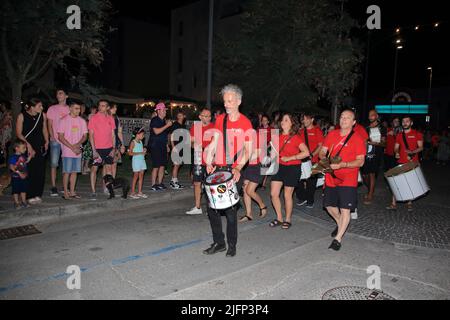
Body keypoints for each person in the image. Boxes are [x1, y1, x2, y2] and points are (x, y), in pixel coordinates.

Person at [203, 84, 253, 257]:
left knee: (230, 210)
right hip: (218, 169)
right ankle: (219, 242)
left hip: (234, 170)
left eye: (230, 101)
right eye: (225, 101)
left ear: (238, 101)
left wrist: (239, 167)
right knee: (212, 209)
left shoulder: (245, 122)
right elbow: (214, 143)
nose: (227, 104)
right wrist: (209, 160)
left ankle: (232, 244)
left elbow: (249, 149)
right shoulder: (220, 120)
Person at [319, 109, 366, 251]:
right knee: (328, 205)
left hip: (348, 178)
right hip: (331, 176)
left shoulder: (357, 139)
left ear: (353, 122)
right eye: (342, 117)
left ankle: (338, 238)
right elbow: (323, 150)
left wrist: (343, 164)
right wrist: (323, 158)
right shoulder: (332, 134)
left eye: (347, 118)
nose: (343, 120)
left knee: (345, 209)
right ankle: (341, 224)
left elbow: (360, 162)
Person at [269, 113, 310, 229]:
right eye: (282, 120)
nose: (283, 122)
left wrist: (291, 158)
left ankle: (287, 219)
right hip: (279, 167)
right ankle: (279, 218)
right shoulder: (276, 136)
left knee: (287, 195)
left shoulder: (296, 137)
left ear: (292, 123)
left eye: (286, 120)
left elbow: (306, 152)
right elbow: (274, 153)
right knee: (273, 194)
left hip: (292, 168)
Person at [15, 98, 49, 204]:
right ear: (32, 107)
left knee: (39, 171)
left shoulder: (42, 115)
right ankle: (28, 195)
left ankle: (37, 194)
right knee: (28, 170)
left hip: (39, 145)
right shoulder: (22, 116)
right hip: (25, 146)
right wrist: (28, 145)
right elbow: (19, 133)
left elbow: (44, 129)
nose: (42, 108)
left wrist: (47, 141)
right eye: (39, 106)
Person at [387, 116, 424, 212]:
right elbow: (396, 147)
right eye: (403, 121)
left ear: (411, 123)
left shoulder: (417, 134)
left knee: (411, 183)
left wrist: (412, 152)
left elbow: (421, 147)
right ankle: (393, 203)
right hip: (401, 161)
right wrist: (397, 152)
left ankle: (409, 202)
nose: (405, 123)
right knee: (397, 182)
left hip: (413, 162)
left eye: (407, 121)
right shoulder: (399, 135)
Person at [238, 115, 268, 223]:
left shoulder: (259, 136)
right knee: (245, 190)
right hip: (247, 166)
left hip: (257, 166)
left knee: (249, 190)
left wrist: (244, 157)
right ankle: (248, 214)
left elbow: (257, 154)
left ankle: (263, 206)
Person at [57, 101, 88, 200]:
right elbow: (60, 137)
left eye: (79, 108)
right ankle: (65, 192)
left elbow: (85, 136)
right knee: (67, 172)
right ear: (70, 108)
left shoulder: (82, 121)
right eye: (76, 108)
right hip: (67, 151)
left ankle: (72, 191)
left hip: (77, 151)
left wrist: (78, 145)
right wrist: (72, 147)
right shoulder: (63, 120)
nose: (78, 110)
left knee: (75, 172)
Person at [186, 107, 214, 215]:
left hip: (210, 160)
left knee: (209, 184)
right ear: (200, 117)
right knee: (197, 183)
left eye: (209, 116)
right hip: (198, 158)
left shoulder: (214, 127)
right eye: (205, 116)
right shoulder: (195, 127)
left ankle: (211, 207)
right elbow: (191, 143)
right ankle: (197, 207)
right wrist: (194, 144)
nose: (207, 118)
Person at [88, 100, 116, 200]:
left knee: (108, 169)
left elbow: (113, 135)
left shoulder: (110, 118)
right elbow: (90, 135)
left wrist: (113, 148)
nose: (101, 107)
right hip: (98, 149)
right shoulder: (93, 118)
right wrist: (94, 150)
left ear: (107, 107)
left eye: (103, 106)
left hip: (108, 148)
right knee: (94, 169)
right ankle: (93, 191)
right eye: (100, 105)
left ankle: (107, 188)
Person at [296, 113, 324, 208]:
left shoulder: (317, 130)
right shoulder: (300, 131)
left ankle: (310, 200)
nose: (304, 121)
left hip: (314, 160)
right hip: (302, 160)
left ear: (312, 119)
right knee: (299, 179)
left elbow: (320, 145)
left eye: (307, 119)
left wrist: (312, 155)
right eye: (303, 119)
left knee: (311, 182)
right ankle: (302, 197)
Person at [46, 89, 70, 196]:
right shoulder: (52, 108)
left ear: (66, 96)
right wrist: (52, 136)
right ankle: (53, 187)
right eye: (57, 93)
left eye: (61, 93)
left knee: (66, 163)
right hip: (55, 139)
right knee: (54, 164)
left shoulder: (70, 109)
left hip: (67, 141)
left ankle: (65, 186)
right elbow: (49, 124)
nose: (58, 95)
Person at [361, 110, 386, 205]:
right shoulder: (366, 127)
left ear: (377, 116)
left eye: (372, 115)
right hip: (365, 154)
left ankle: (370, 194)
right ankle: (370, 189)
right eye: (369, 115)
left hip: (376, 154)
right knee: (364, 175)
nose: (370, 117)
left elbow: (384, 143)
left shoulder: (381, 128)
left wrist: (373, 142)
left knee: (372, 174)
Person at [149, 103, 172, 191]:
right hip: (155, 145)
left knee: (162, 165)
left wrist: (167, 145)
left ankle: (160, 183)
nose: (165, 111)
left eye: (165, 110)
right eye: (163, 110)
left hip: (162, 145)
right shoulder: (155, 120)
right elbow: (156, 132)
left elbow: (164, 135)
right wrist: (167, 125)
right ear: (158, 111)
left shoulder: (163, 121)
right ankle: (153, 184)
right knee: (156, 166)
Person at [9, 140, 30, 209]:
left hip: (23, 176)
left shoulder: (23, 156)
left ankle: (23, 201)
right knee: (16, 190)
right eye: (23, 147)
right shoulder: (13, 157)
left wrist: (30, 155)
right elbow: (11, 167)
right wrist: (19, 173)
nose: (25, 149)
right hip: (16, 177)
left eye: (25, 147)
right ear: (16, 148)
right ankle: (16, 202)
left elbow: (26, 161)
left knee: (24, 189)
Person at [128, 127, 148, 199]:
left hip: (142, 161)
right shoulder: (133, 142)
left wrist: (144, 150)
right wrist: (140, 152)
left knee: (141, 176)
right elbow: (130, 153)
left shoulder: (141, 142)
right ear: (137, 134)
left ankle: (139, 192)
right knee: (135, 176)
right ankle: (132, 192)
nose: (143, 136)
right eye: (142, 134)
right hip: (136, 161)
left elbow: (141, 151)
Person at [169, 110, 187, 189]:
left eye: (181, 115)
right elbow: (171, 136)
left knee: (178, 164)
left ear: (184, 116)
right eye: (178, 115)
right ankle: (174, 182)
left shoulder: (183, 125)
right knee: (176, 165)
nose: (179, 117)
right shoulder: (175, 125)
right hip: (176, 147)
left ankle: (173, 181)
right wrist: (173, 147)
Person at [259, 114, 272, 191]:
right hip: (260, 149)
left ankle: (263, 183)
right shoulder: (259, 129)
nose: (264, 122)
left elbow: (274, 140)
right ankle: (260, 181)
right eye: (262, 120)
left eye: (265, 120)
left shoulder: (272, 129)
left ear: (268, 121)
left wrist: (267, 147)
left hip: (268, 149)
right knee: (260, 165)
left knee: (265, 166)